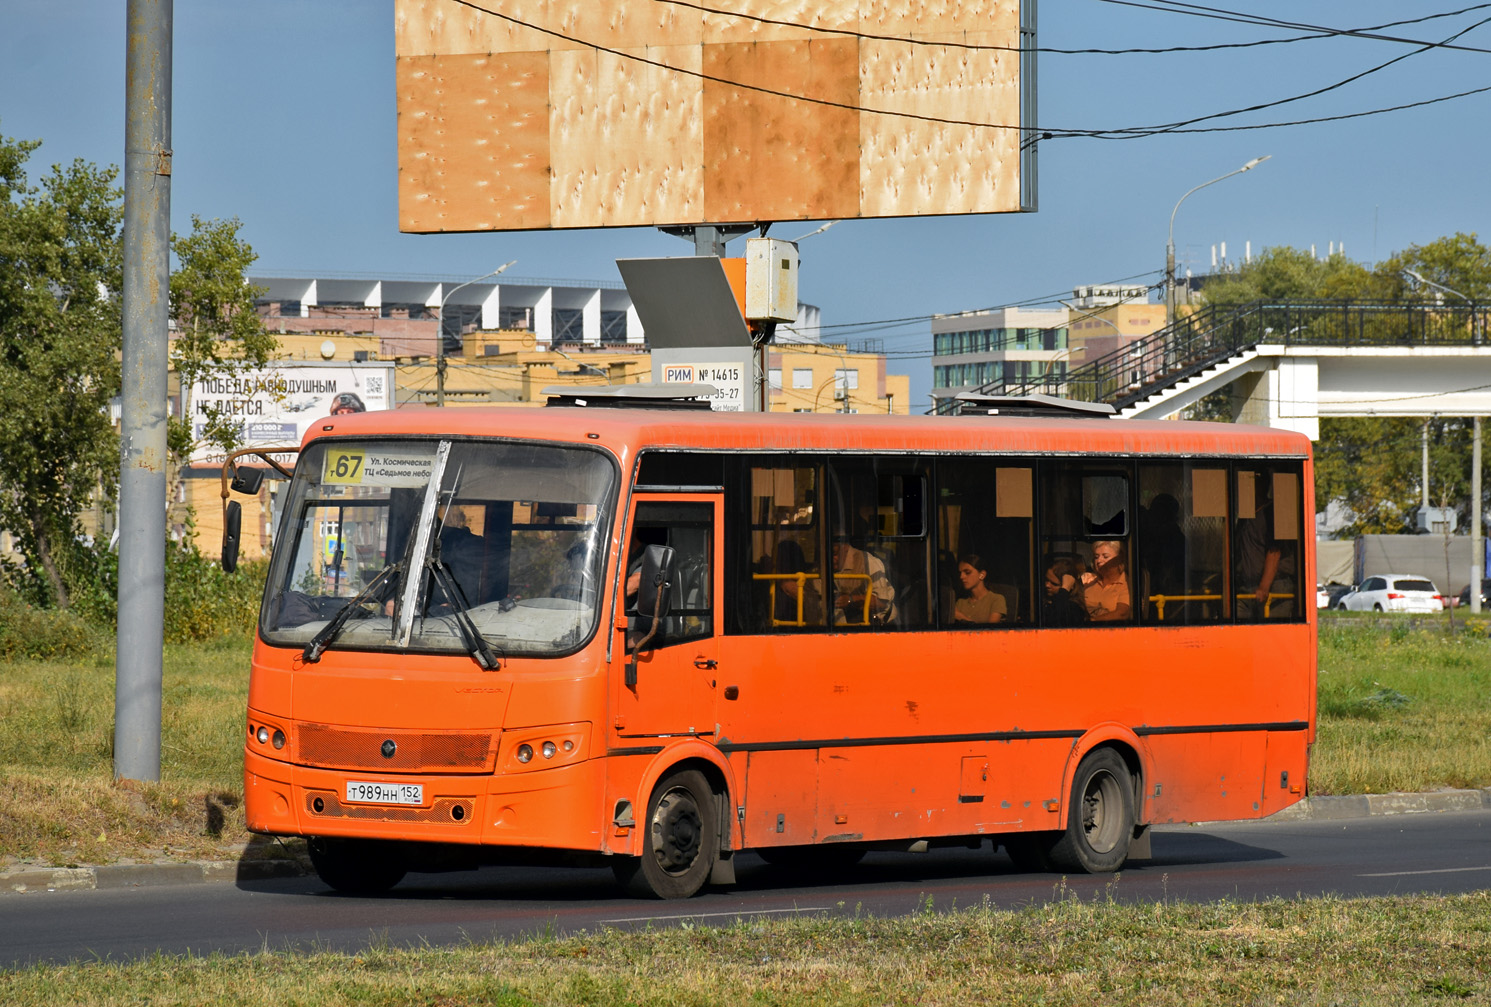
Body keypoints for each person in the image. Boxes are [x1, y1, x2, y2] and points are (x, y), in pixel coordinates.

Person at [832, 536, 896, 626]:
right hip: (848, 625)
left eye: (834, 553)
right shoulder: (819, 569)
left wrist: (850, 600)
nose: (830, 558)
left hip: (881, 624)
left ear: (845, 547)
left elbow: (881, 603)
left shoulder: (868, 562)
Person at [1081, 540, 1132, 622]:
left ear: (1119, 559)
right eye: (1096, 557)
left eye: (1105, 556)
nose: (1099, 561)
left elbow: (1122, 614)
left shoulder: (1126, 583)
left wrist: (1092, 621)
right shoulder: (1089, 581)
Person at [953, 553, 1005, 624]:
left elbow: (989, 632)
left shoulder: (996, 600)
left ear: (982, 575)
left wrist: (962, 618)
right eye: (960, 573)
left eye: (967, 572)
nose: (961, 577)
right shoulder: (960, 602)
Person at [1043, 555, 1088, 626]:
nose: (1047, 585)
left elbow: (1056, 619)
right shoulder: (1044, 599)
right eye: (1046, 580)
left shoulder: (1074, 607)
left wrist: (1064, 590)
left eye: (1054, 584)